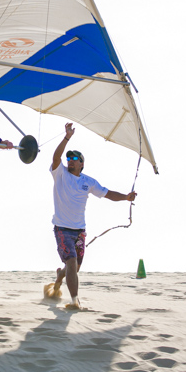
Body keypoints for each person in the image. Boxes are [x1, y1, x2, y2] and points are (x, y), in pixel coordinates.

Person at [47, 123, 136, 310]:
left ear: (82, 164)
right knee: (71, 263)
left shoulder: (89, 182)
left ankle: (59, 276)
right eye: (69, 158)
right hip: (62, 229)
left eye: (74, 158)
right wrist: (67, 137)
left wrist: (126, 198)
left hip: (79, 231)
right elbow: (56, 157)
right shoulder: (60, 174)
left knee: (74, 268)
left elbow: (108, 194)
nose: (70, 160)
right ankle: (74, 301)